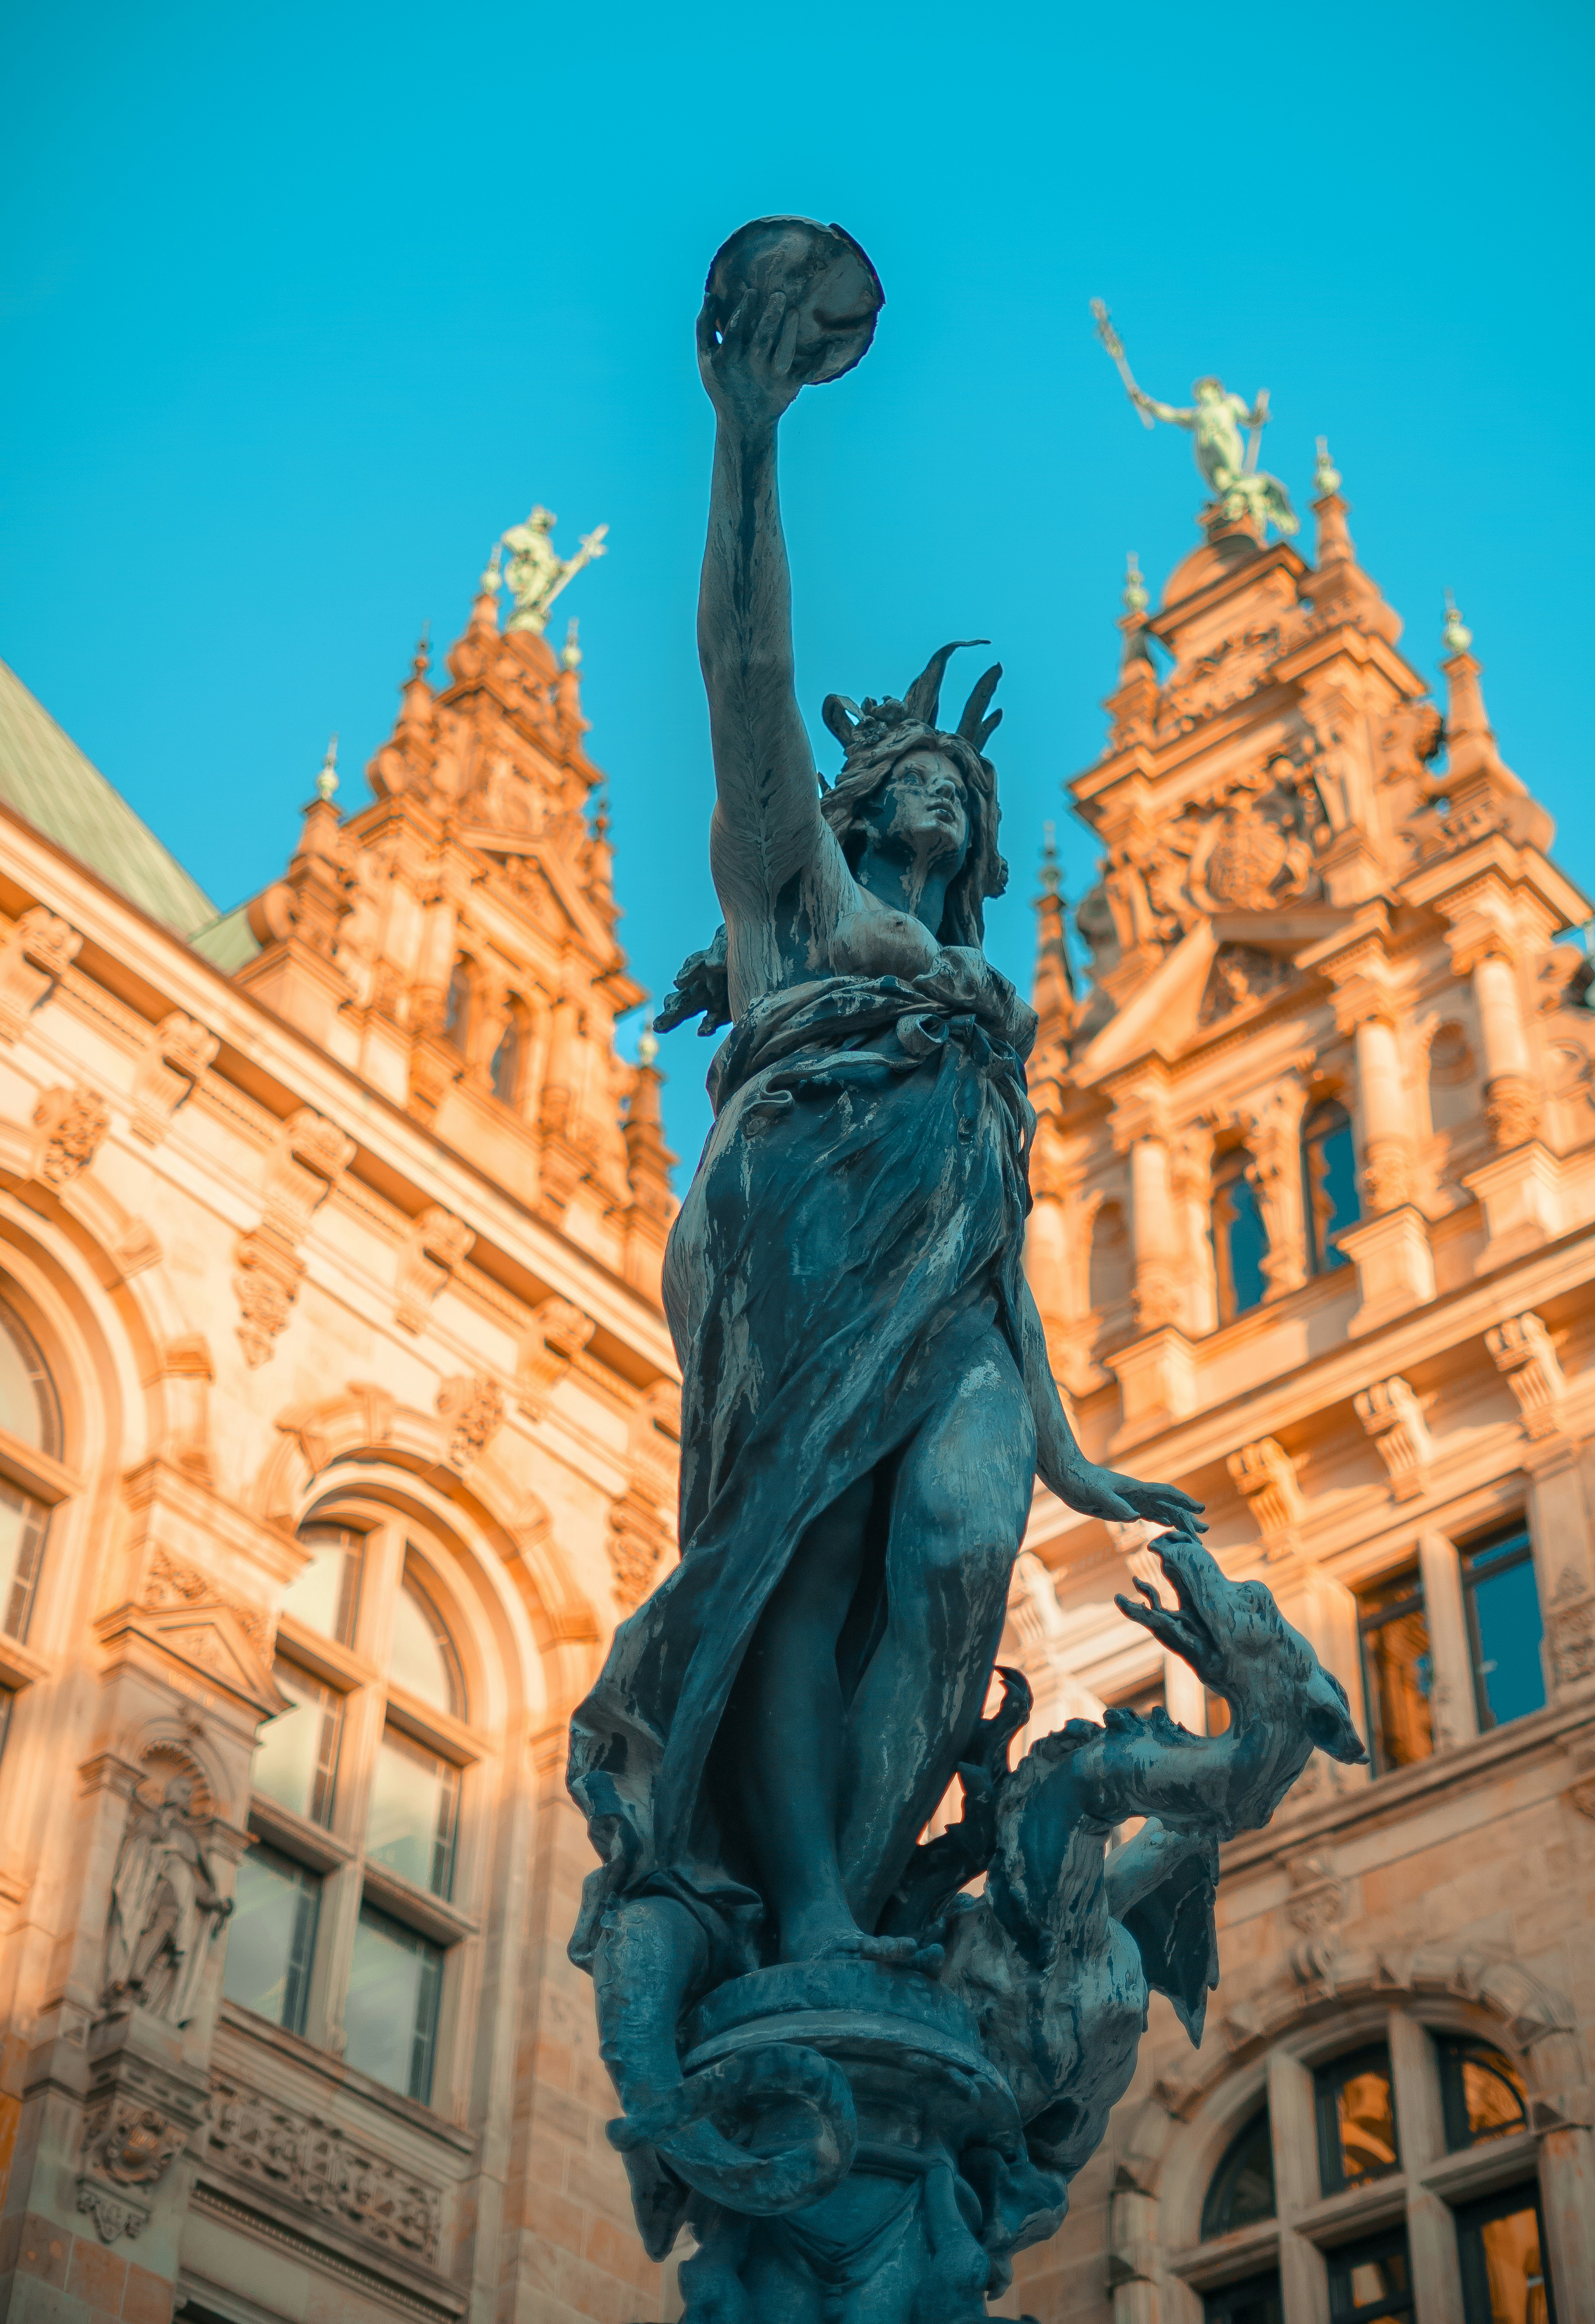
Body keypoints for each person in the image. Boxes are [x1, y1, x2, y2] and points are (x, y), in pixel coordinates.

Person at [565, 256, 1203, 2232]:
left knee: (957, 1540)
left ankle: (853, 1863)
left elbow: (1001, 1214)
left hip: (950, 1285)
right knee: (796, 1547)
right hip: (789, 1234)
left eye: (961, 778)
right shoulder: (788, 905)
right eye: (896, 768)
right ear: (845, 803)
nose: (930, 775)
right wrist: (749, 445)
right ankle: (823, 1910)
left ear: (985, 835)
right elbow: (740, 681)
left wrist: (1072, 1436)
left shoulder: (985, 1011)